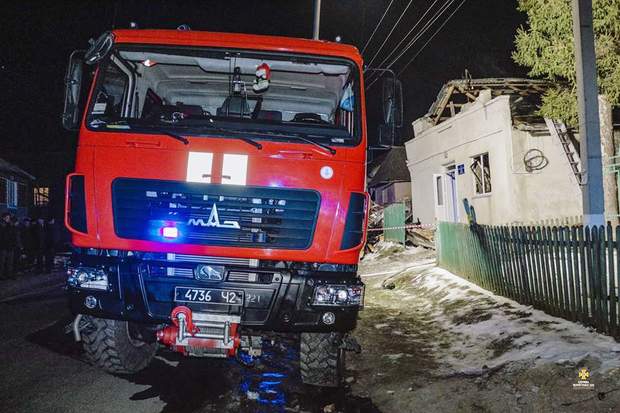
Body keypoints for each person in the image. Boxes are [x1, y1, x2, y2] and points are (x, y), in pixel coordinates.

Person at [0, 212, 15, 279]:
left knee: (10, 262)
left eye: (9, 218)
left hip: (10, 246)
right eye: (7, 217)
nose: (8, 219)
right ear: (3, 218)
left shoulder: (11, 225)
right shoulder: (1, 225)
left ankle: (9, 274)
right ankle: (1, 275)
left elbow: (13, 235)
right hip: (3, 247)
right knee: (2, 262)